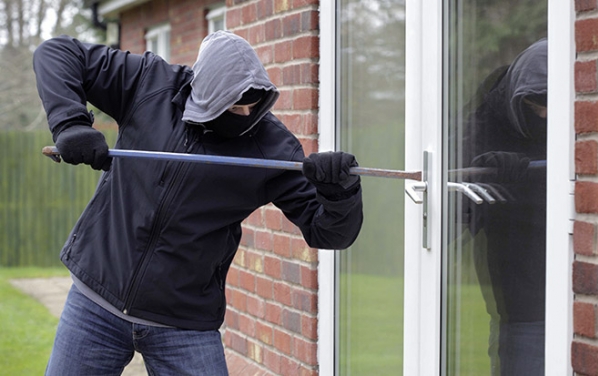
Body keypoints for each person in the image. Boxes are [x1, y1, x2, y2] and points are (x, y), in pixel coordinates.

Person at [33, 30, 363, 375]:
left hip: (184, 323)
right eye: (236, 104)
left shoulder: (273, 148)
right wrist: (70, 124)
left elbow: (329, 233)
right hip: (95, 301)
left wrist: (339, 192)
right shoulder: (151, 84)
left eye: (254, 103)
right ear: (202, 89)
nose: (247, 112)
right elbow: (56, 52)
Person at [460, 38, 547, 376]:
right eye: (536, 104)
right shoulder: (483, 125)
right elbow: (452, 210)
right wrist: (491, 177)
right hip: (520, 297)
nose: (543, 114)